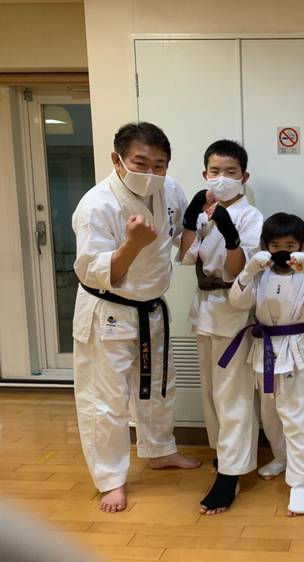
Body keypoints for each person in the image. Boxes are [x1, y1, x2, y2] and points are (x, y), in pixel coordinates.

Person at [71, 122, 200, 513]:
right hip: (108, 309)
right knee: (106, 400)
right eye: (141, 163)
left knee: (159, 386)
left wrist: (200, 220)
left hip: (151, 307)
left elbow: (181, 240)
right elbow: (94, 273)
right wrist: (131, 244)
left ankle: (159, 450)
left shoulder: (170, 189)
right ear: (118, 160)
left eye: (159, 165)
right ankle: (111, 479)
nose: (151, 173)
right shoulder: (97, 206)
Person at [227, 213, 304, 516]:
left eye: (289, 245)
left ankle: (300, 484)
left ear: (301, 246)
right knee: (269, 414)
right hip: (261, 350)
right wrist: (248, 270)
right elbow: (237, 302)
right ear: (266, 246)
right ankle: (281, 457)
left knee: (296, 418)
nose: (281, 251)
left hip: (293, 352)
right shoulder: (260, 274)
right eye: (275, 245)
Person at [178, 139, 263, 515]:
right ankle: (222, 455)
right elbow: (185, 257)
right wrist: (189, 221)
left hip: (233, 310)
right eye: (215, 172)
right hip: (204, 309)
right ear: (204, 174)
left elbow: (237, 271)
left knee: (233, 395)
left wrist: (230, 235)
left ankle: (232, 472)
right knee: (212, 393)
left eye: (230, 172)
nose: (222, 178)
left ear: (244, 177)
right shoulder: (202, 213)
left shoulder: (251, 216)